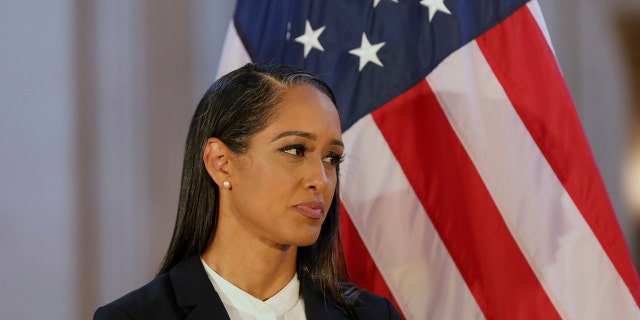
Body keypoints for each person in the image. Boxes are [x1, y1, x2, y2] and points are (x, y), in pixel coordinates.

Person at [94, 63, 403, 320]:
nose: (321, 180)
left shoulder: (375, 316)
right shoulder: (134, 317)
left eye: (331, 157)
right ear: (221, 162)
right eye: (295, 150)